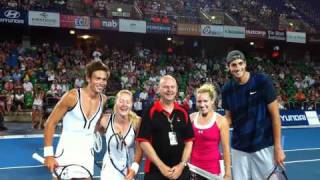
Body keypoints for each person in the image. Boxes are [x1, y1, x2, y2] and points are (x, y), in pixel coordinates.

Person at [221, 50, 285, 180]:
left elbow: (275, 117)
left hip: (263, 146)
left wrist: (278, 148)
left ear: (245, 64)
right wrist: (213, 122)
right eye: (233, 65)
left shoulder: (262, 81)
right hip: (239, 149)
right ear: (228, 67)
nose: (238, 68)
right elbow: (228, 118)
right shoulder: (226, 89)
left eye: (240, 63)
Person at [43, 60, 110, 179]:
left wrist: (104, 128)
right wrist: (48, 154)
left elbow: (94, 127)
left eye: (104, 79)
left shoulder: (103, 99)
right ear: (88, 78)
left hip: (87, 154)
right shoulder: (72, 96)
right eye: (97, 78)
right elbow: (50, 123)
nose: (101, 82)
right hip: (66, 152)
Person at [137, 75, 194, 180]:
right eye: (166, 87)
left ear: (176, 90)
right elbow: (143, 141)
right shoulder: (150, 111)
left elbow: (189, 142)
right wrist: (161, 166)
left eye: (172, 87)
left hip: (181, 172)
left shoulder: (183, 112)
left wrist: (181, 165)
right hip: (155, 172)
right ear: (159, 89)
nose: (169, 90)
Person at [98, 89, 143, 180]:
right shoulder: (104, 120)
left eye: (127, 102)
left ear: (131, 104)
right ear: (115, 102)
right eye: (121, 101)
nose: (124, 105)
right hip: (108, 170)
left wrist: (134, 170)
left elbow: (139, 150)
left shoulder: (137, 122)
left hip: (129, 170)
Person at [189, 83, 231, 180]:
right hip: (193, 170)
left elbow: (225, 149)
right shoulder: (191, 118)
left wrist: (228, 173)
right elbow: (186, 146)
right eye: (199, 101)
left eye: (205, 101)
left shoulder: (221, 121)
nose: (202, 104)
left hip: (214, 172)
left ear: (212, 101)